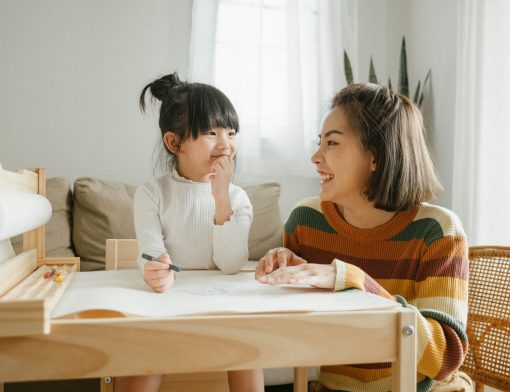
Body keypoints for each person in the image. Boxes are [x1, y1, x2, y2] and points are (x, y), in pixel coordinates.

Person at [255, 83, 472, 392]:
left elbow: (444, 358)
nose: (315, 157)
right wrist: (279, 269)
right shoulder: (307, 220)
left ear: (375, 156)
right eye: (320, 142)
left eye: (332, 143)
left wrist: (356, 282)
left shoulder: (437, 231)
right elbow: (286, 328)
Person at [115, 72, 264, 392]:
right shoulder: (152, 193)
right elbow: (150, 248)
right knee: (142, 351)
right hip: (168, 303)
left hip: (222, 306)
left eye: (231, 133)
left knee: (248, 348)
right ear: (174, 142)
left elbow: (231, 264)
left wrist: (221, 196)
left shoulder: (237, 198)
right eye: (211, 132)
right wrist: (155, 268)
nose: (225, 144)